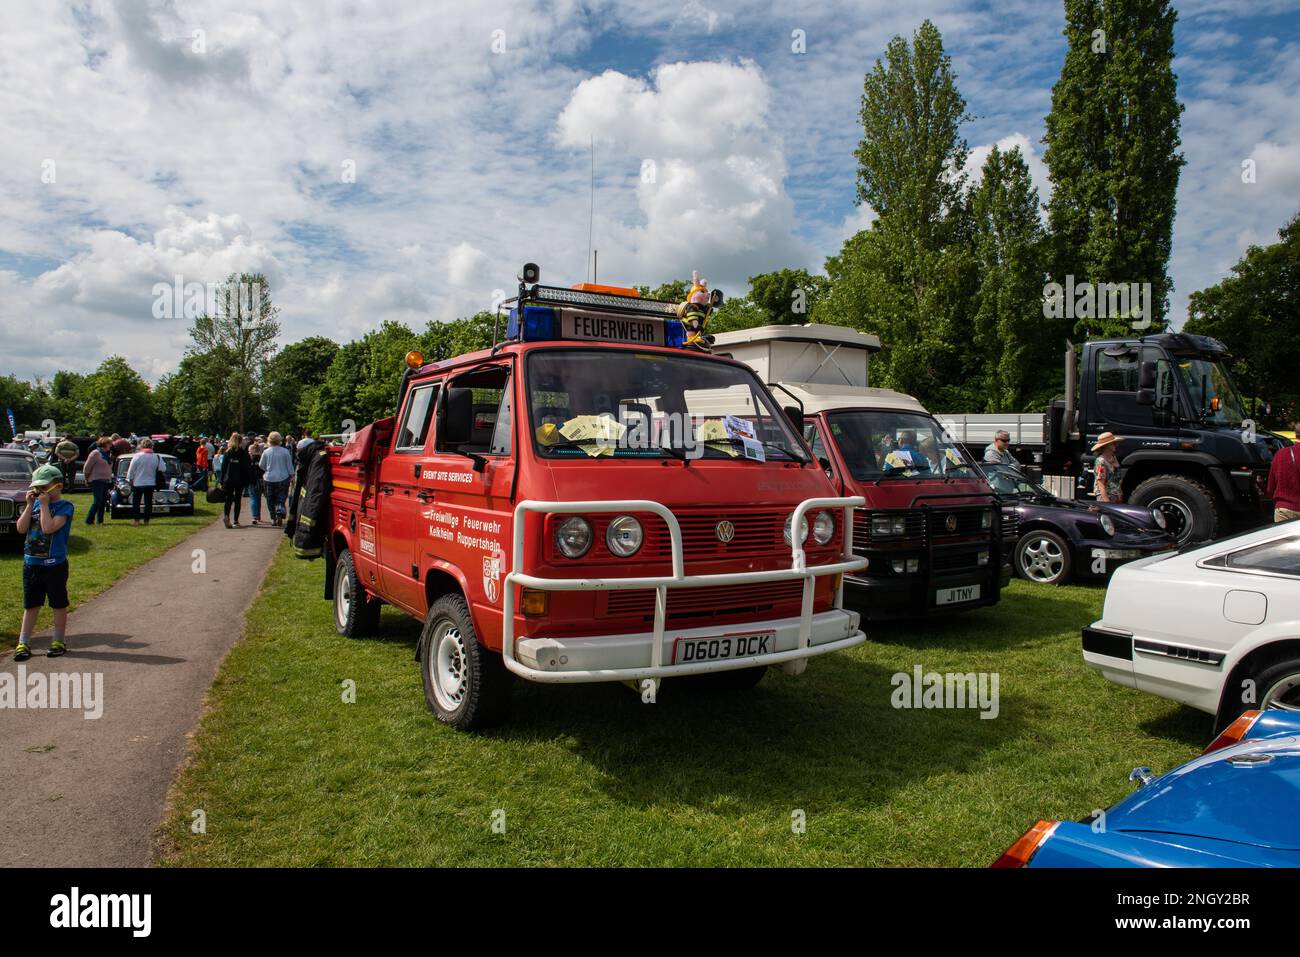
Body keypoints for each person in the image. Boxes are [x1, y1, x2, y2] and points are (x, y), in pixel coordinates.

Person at [14, 464, 75, 661]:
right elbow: (21, 528)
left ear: (57, 486)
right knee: (31, 604)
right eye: (37, 488)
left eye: (44, 487)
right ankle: (24, 642)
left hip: (54, 565)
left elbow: (48, 528)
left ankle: (58, 640)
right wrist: (31, 505)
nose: (40, 491)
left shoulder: (64, 507)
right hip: (32, 564)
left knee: (58, 603)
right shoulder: (37, 505)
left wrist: (46, 506)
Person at [259, 431, 295, 527]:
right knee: (281, 498)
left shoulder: (266, 452)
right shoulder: (285, 451)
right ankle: (279, 511)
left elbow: (261, 465)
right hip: (283, 478)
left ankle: (273, 518)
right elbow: (289, 466)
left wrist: (267, 469)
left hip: (269, 478)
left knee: (270, 499)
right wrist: (292, 475)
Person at [1267, 422, 1300, 522]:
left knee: (1285, 538)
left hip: (1284, 510)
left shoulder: (1281, 454)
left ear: (1296, 434)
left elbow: (1270, 488)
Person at [126, 436, 162, 526]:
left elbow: (131, 470)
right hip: (151, 482)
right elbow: (163, 468)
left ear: (141, 446)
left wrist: (129, 479)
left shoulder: (137, 456)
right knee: (148, 503)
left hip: (138, 482)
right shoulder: (157, 456)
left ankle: (136, 520)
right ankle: (146, 520)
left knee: (136, 503)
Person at [220, 432, 251, 529]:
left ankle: (226, 516)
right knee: (238, 499)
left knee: (228, 499)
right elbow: (246, 467)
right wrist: (247, 479)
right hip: (240, 479)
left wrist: (221, 480)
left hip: (228, 479)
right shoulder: (243, 453)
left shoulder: (227, 453)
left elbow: (223, 468)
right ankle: (236, 521)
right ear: (240, 441)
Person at [83, 436, 114, 524]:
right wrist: (86, 478)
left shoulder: (106, 454)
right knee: (97, 501)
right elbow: (87, 467)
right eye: (110, 444)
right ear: (105, 444)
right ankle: (89, 520)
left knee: (103, 501)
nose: (111, 445)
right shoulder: (95, 453)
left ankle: (100, 520)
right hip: (96, 480)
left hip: (105, 480)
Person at [1092, 431, 1124, 503]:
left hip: (1115, 496)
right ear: (1106, 445)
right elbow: (1100, 484)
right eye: (1113, 443)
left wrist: (1119, 495)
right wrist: (1107, 503)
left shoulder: (1114, 458)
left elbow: (1117, 481)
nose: (1116, 444)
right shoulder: (1101, 461)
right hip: (1105, 497)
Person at [248, 435, 267, 524]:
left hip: (252, 481)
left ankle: (255, 517)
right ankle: (258, 516)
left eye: (249, 450)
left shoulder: (250, 460)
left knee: (253, 498)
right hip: (262, 480)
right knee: (259, 499)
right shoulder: (262, 458)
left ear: (252, 450)